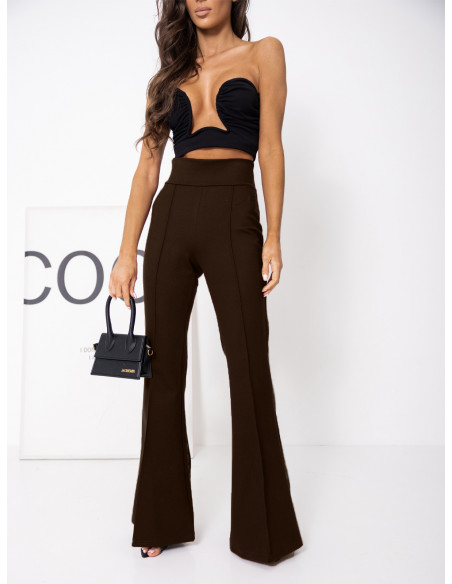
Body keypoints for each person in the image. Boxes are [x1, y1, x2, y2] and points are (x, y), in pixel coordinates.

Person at [108, 0, 303, 565]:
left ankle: (264, 532)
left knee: (248, 364)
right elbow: (148, 169)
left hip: (234, 211)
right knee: (162, 370)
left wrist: (273, 235)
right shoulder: (166, 77)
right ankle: (160, 519)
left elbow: (271, 146)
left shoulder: (265, 53)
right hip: (174, 214)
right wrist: (125, 253)